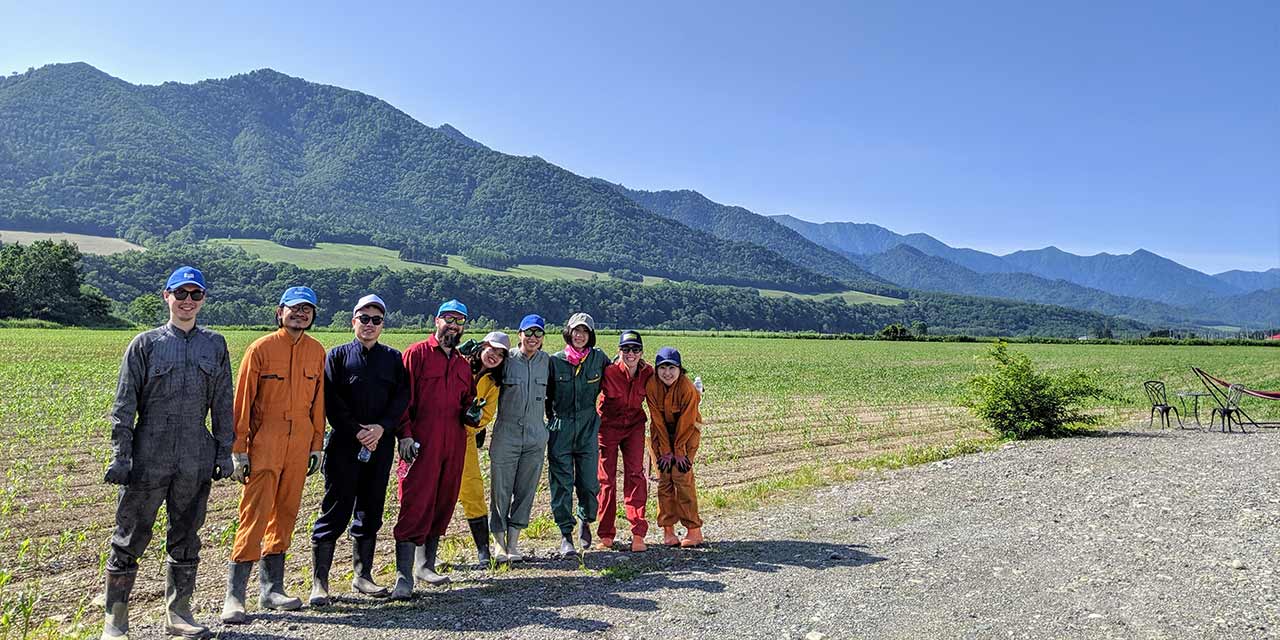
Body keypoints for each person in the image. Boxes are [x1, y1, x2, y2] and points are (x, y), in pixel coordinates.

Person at [100, 266, 234, 640]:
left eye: (195, 295)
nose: (187, 301)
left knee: (187, 535)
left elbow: (224, 402)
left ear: (203, 300)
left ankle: (179, 612)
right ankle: (116, 619)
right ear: (167, 296)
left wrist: (225, 450)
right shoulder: (145, 344)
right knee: (129, 536)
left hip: (195, 454)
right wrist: (120, 455)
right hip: (149, 454)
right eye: (181, 294)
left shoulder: (216, 344)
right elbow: (124, 404)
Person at [221, 286, 326, 624]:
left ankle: (272, 589)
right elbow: (243, 402)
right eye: (294, 309)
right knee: (254, 515)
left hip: (301, 443)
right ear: (280, 312)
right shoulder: (261, 349)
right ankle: (235, 597)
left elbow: (318, 403)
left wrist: (316, 444)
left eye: (307, 310)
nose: (301, 314)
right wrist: (239, 449)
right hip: (265, 441)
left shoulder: (316, 351)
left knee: (286, 513)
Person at [308, 295, 410, 605]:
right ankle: (319, 583)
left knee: (371, 509)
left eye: (375, 320)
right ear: (353, 321)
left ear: (382, 325)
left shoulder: (393, 359)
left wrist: (381, 428)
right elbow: (331, 401)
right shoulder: (336, 357)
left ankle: (362, 576)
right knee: (335, 510)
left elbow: (401, 399)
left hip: (380, 444)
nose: (369, 324)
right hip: (343, 444)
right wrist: (357, 431)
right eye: (363, 318)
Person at [390, 299, 475, 600]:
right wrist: (405, 436)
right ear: (436, 321)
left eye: (459, 320)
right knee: (415, 501)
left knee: (443, 500)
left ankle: (426, 565)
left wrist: (472, 412)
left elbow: (468, 401)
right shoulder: (416, 354)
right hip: (420, 443)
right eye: (448, 319)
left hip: (453, 441)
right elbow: (401, 400)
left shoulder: (464, 364)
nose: (453, 325)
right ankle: (403, 575)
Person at [488, 314, 554, 563]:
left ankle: (514, 542)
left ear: (543, 338)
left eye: (538, 334)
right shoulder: (506, 360)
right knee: (500, 491)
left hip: (536, 436)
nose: (533, 338)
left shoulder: (547, 362)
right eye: (529, 333)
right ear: (519, 334)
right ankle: (498, 543)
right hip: (507, 435)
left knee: (526, 491)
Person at [547, 312, 610, 557]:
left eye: (584, 331)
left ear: (590, 335)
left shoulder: (599, 359)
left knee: (589, 482)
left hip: (587, 427)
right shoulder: (555, 361)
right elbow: (545, 393)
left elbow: (620, 379)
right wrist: (550, 420)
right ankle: (565, 535)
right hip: (560, 427)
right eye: (576, 330)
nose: (580, 335)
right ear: (569, 332)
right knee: (561, 484)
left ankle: (586, 519)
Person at [595, 330, 654, 552]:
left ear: (641, 352)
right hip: (608, 426)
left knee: (636, 476)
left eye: (635, 349)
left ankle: (638, 533)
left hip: (634, 427)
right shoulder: (608, 372)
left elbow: (663, 391)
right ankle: (606, 535)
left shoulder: (648, 372)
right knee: (606, 480)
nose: (631, 354)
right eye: (626, 349)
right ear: (619, 351)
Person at [455, 331, 509, 564]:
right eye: (491, 350)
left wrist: (473, 422)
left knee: (472, 489)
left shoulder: (493, 383)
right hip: (438, 433)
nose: (494, 356)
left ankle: (483, 549)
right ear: (481, 346)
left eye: (500, 354)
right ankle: (424, 552)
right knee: (433, 490)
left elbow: (487, 414)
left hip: (465, 436)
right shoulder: (460, 363)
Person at [646, 347, 705, 548]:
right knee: (664, 479)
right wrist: (665, 450)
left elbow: (688, 421)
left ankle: (694, 530)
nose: (667, 373)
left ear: (680, 369)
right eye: (662, 368)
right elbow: (656, 419)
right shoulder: (652, 385)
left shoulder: (687, 388)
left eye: (672, 367)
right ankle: (668, 530)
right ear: (656, 369)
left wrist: (679, 451)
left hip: (686, 435)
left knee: (682, 477)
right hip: (660, 434)